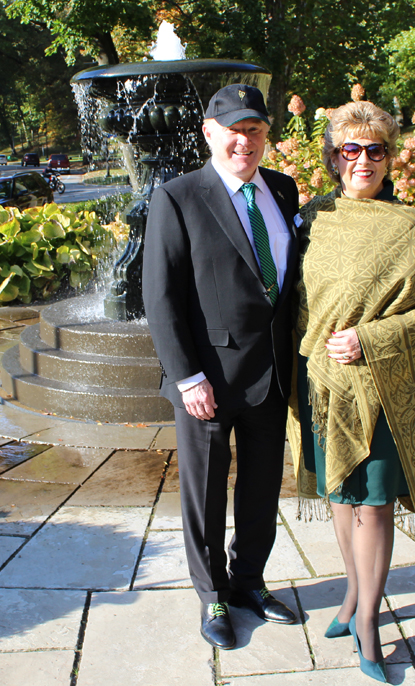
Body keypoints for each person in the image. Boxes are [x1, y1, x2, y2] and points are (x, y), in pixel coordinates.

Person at [287, 100, 415, 683]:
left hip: (379, 380)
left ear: (388, 157)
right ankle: (351, 597)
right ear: (333, 158)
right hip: (321, 382)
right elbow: (289, 298)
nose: (362, 161)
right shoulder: (312, 219)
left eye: (374, 150)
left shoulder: (408, 225)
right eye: (350, 150)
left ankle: (370, 621)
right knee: (339, 492)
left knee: (374, 501)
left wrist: (370, 339)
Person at [143, 84, 301, 651]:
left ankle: (249, 584)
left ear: (266, 134)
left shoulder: (282, 189)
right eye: (234, 129)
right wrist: (187, 376)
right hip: (206, 381)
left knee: (261, 490)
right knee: (205, 495)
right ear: (210, 132)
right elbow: (159, 298)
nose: (246, 140)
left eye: (255, 129)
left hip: (272, 374)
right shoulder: (179, 197)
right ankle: (212, 594)